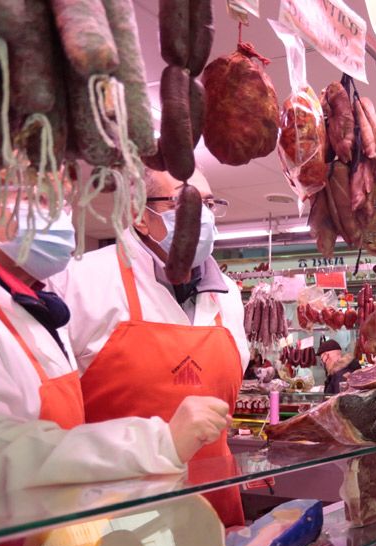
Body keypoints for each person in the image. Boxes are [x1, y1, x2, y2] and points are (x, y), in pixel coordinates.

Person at [0, 187, 231, 546]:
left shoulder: (19, 301)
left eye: (59, 198)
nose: (60, 214)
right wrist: (155, 443)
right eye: (36, 196)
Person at [49, 169, 250, 526]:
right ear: (141, 216)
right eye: (183, 201)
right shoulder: (77, 282)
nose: (201, 215)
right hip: (115, 527)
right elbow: (52, 431)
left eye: (207, 203)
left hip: (215, 519)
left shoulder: (230, 296)